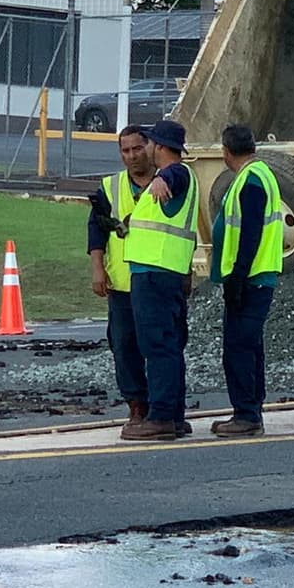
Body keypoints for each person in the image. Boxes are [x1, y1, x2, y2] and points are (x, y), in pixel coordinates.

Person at [121, 119, 199, 441]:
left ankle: (162, 417)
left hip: (155, 274)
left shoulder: (174, 174)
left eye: (150, 143)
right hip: (164, 273)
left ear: (161, 148)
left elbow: (173, 174)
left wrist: (160, 178)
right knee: (168, 345)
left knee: (158, 346)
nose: (146, 149)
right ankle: (174, 416)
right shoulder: (172, 179)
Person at [210, 124, 283, 438]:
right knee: (249, 346)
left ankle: (247, 415)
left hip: (251, 278)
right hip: (257, 276)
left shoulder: (250, 180)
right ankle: (250, 409)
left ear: (226, 151)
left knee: (239, 347)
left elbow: (249, 233)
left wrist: (237, 277)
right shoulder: (259, 174)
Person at [88, 126, 154, 425]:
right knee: (124, 345)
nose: (131, 156)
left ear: (149, 147)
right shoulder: (110, 187)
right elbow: (96, 230)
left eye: (137, 149)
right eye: (125, 151)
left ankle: (165, 405)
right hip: (123, 282)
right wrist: (98, 269)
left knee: (161, 345)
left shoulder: (170, 180)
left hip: (158, 281)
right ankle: (137, 405)